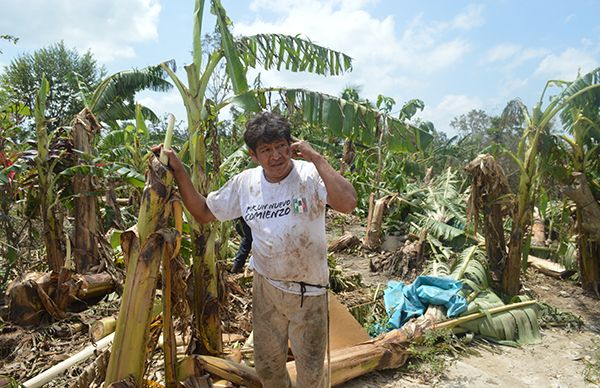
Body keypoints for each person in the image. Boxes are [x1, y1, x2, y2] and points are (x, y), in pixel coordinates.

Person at [159, 111, 357, 387]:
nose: (275, 156)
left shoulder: (310, 175)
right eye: (266, 150)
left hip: (309, 291)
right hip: (267, 288)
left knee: (311, 374)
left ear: (291, 146)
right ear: (253, 155)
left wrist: (317, 158)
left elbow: (347, 203)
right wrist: (179, 170)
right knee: (268, 368)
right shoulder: (245, 183)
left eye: (280, 147)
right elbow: (204, 212)